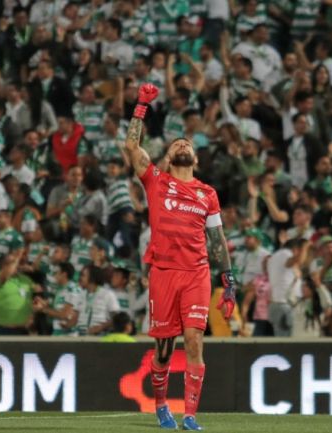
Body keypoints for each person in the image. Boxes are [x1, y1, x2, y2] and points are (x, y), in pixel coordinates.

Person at [122, 83, 235, 431]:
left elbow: (217, 239)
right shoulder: (155, 180)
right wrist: (141, 105)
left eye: (187, 143)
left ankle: (189, 415)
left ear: (195, 158)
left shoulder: (207, 193)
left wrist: (228, 282)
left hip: (196, 274)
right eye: (177, 143)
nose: (183, 143)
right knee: (164, 351)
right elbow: (131, 146)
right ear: (169, 158)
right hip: (163, 272)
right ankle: (160, 407)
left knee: (194, 339)